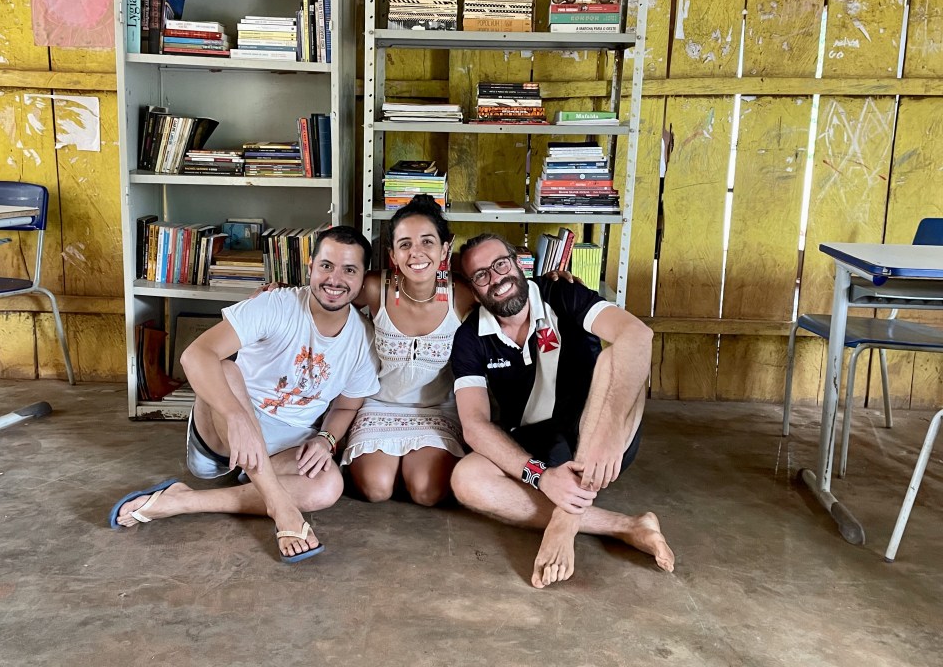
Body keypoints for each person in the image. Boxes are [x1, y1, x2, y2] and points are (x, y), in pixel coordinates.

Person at [108, 226, 380, 564]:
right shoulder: (275, 304)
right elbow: (195, 355)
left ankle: (182, 501)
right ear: (310, 266)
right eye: (326, 265)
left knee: (329, 487)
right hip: (225, 432)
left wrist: (326, 440)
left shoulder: (362, 338)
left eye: (349, 270)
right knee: (226, 369)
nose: (335, 279)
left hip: (285, 448)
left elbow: (347, 406)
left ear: (363, 278)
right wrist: (236, 417)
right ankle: (281, 508)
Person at [449, 233, 675, 588]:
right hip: (540, 444)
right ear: (474, 291)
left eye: (501, 264)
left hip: (604, 438)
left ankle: (566, 521)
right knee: (465, 479)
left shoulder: (561, 292)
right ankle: (624, 525)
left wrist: (605, 436)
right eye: (481, 275)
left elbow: (638, 336)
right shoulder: (469, 336)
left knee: (615, 358)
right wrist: (541, 477)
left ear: (519, 264)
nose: (496, 278)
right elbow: (474, 425)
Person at [339, 194, 478, 506]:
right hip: (378, 406)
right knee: (376, 489)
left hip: (436, 410)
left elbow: (508, 296)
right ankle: (390, 467)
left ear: (445, 249)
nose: (416, 253)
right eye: (405, 244)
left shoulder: (462, 294)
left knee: (426, 492)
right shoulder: (375, 288)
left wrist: (557, 282)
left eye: (427, 242)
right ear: (393, 254)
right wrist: (280, 292)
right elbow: (329, 294)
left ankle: (411, 468)